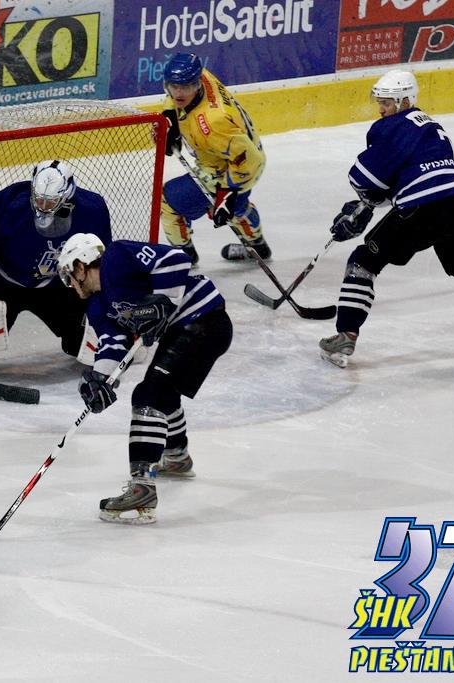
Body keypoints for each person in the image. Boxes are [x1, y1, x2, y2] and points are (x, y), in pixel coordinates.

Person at [319, 70, 454, 368]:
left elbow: (365, 177)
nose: (381, 109)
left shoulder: (393, 125)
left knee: (364, 261)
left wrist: (363, 204)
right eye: (380, 102)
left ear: (404, 101)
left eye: (386, 102)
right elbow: (413, 173)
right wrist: (373, 202)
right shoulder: (431, 125)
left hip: (423, 207)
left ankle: (346, 333)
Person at [56, 233, 233, 524]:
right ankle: (176, 457)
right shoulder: (98, 306)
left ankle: (142, 488)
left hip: (204, 320)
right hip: (184, 330)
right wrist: (100, 379)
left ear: (80, 266)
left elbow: (175, 259)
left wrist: (164, 302)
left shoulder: (117, 256)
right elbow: (114, 342)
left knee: (148, 396)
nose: (70, 285)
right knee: (164, 392)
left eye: (68, 277)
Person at [0, 160, 112, 357]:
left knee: (80, 344)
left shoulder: (93, 209)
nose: (43, 207)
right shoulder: (15, 202)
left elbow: (101, 260)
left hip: (54, 285)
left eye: (50, 202)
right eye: (39, 200)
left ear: (67, 196)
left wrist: (110, 300)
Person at [159, 53, 269, 264]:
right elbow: (176, 93)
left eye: (186, 87)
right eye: (174, 87)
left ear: (196, 84)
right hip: (242, 148)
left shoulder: (212, 123)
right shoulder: (201, 76)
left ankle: (183, 257)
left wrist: (227, 192)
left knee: (168, 202)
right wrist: (170, 114)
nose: (179, 93)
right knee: (237, 207)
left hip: (232, 168)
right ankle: (257, 246)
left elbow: (251, 162)